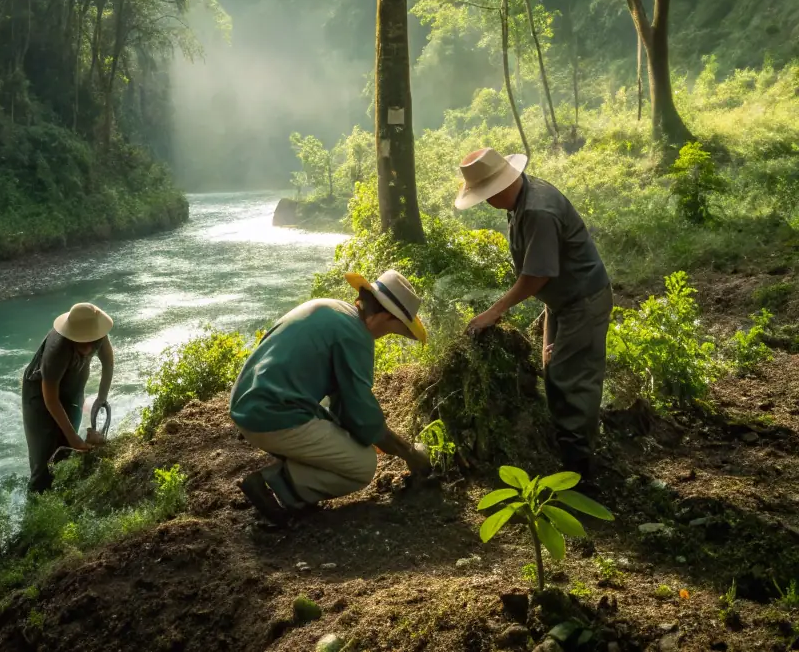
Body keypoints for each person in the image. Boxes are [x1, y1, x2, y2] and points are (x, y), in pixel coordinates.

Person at [457, 147, 613, 482]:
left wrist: (494, 311)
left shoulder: (539, 210)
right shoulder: (520, 203)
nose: (485, 202)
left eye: (485, 195)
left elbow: (537, 275)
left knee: (571, 383)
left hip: (582, 302)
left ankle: (580, 478)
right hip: (562, 302)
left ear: (500, 186)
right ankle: (571, 456)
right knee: (553, 370)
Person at [230, 269, 432, 525]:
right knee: (362, 465)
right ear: (383, 317)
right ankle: (275, 487)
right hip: (270, 416)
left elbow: (342, 402)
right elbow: (360, 414)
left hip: (247, 402)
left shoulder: (332, 309)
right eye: (395, 328)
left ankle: (288, 473)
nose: (389, 334)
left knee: (346, 436)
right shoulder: (355, 336)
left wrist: (363, 433)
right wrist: (409, 453)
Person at [21, 300, 115, 492]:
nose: (88, 347)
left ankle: (62, 496)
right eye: (82, 340)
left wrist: (101, 398)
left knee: (66, 451)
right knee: (44, 457)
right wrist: (74, 439)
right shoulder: (57, 350)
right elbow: (51, 399)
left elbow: (108, 362)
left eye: (91, 340)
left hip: (73, 387)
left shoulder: (99, 336)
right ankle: (36, 503)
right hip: (40, 395)